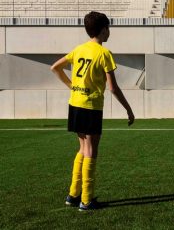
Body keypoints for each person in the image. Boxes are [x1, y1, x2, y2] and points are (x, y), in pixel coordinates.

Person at [50, 11, 135, 211]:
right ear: (104, 29)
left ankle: (73, 195)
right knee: (90, 150)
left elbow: (55, 67)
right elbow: (113, 87)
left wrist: (72, 86)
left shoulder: (78, 50)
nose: (110, 32)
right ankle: (86, 200)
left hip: (75, 103)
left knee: (82, 148)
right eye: (109, 28)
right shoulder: (104, 53)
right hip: (91, 106)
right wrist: (129, 110)